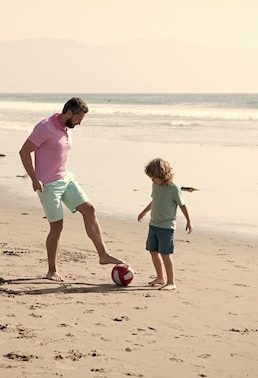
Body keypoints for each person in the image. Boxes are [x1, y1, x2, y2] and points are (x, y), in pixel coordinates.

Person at [19, 97, 124, 282]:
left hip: (66, 179)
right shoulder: (45, 127)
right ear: (69, 113)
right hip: (48, 185)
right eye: (79, 119)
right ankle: (52, 270)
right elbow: (24, 151)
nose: (80, 123)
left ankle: (103, 254)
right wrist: (34, 179)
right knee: (57, 227)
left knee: (90, 210)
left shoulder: (67, 127)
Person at [137, 158, 192, 291]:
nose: (152, 180)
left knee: (165, 254)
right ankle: (160, 277)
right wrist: (144, 212)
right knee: (153, 251)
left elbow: (182, 205)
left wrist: (188, 220)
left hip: (166, 228)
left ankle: (171, 282)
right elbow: (154, 201)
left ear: (162, 175)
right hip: (153, 225)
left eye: (153, 177)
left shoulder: (174, 189)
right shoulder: (155, 185)